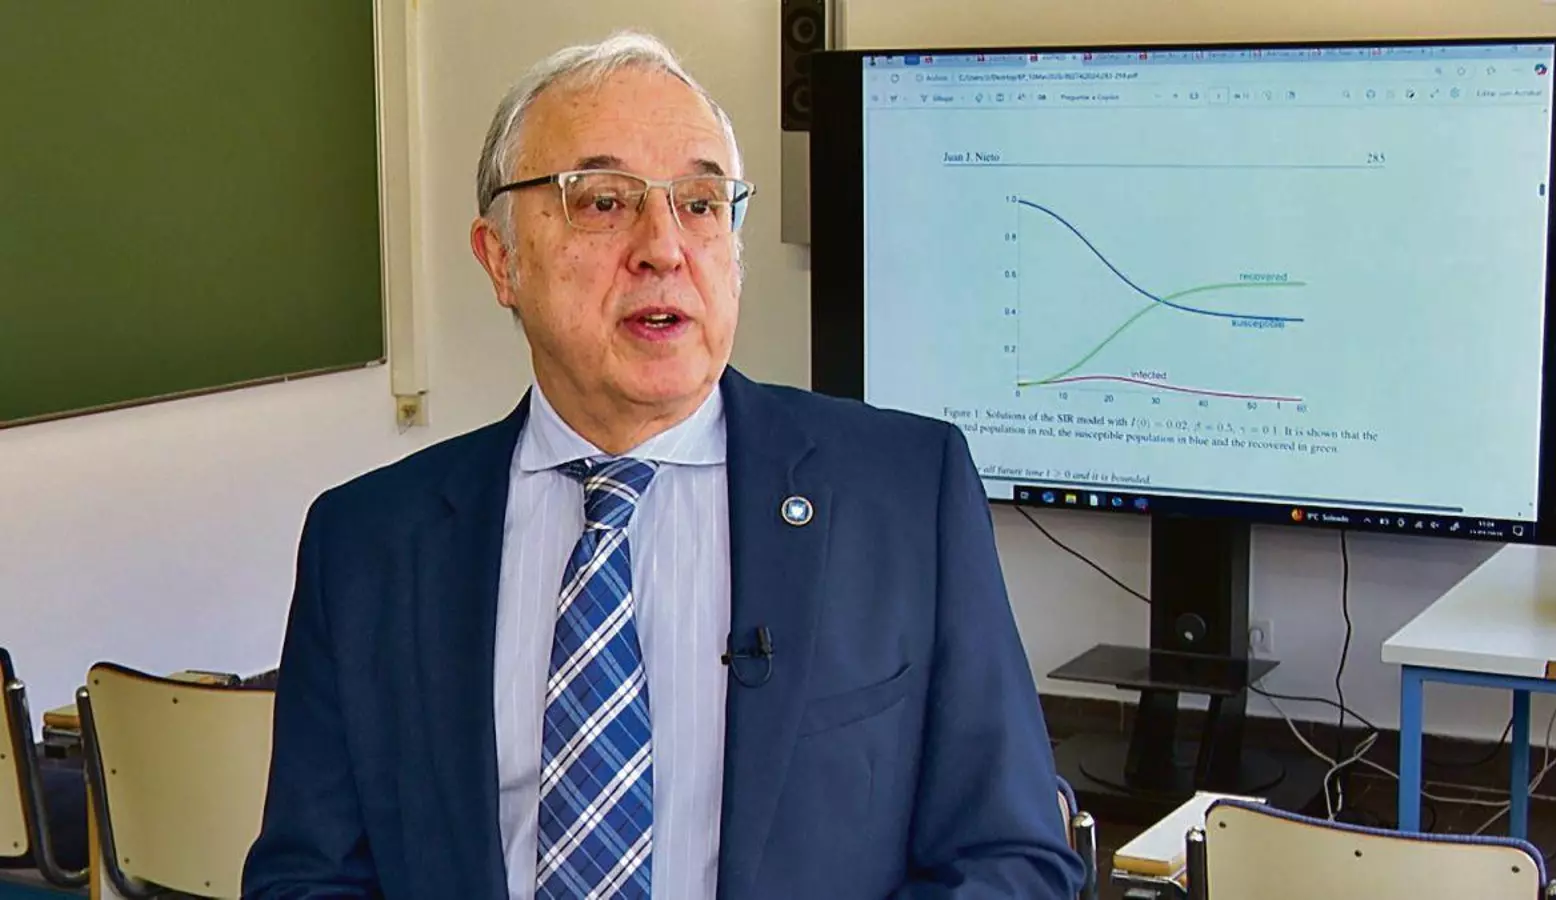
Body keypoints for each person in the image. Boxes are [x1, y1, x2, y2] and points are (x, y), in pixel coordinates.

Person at [242, 30, 1083, 900]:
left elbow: (1011, 858)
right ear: (501, 260)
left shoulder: (906, 492)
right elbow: (308, 878)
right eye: (603, 201)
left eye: (701, 203)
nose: (663, 247)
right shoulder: (367, 543)